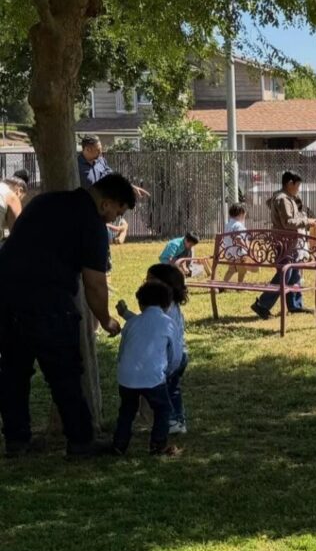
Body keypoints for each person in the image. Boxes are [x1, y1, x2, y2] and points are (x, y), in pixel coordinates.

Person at [0, 173, 135, 458]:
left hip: (7, 295)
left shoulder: (44, 202)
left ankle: (16, 440)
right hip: (49, 301)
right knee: (65, 373)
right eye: (118, 211)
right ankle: (80, 440)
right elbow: (95, 283)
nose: (115, 218)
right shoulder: (92, 225)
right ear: (106, 203)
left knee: (13, 371)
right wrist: (106, 319)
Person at [106, 281, 182, 456]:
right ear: (167, 304)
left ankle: (119, 444)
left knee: (127, 411)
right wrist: (169, 371)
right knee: (162, 409)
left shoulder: (132, 323)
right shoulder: (169, 323)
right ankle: (158, 445)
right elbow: (176, 355)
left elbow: (122, 350)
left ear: (140, 303)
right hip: (153, 376)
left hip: (127, 376)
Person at [118, 263, 190, 435]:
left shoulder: (166, 310)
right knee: (173, 389)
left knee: (166, 392)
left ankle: (171, 420)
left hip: (171, 357)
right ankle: (178, 420)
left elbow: (148, 324)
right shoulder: (169, 306)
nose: (146, 283)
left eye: (150, 279)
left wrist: (126, 314)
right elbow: (147, 322)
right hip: (177, 354)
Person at [252, 171, 316, 318]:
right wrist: (307, 222)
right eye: (297, 186)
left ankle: (294, 305)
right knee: (285, 274)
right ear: (290, 183)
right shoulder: (283, 199)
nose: (298, 189)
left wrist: (304, 218)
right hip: (285, 243)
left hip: (288, 242)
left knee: (294, 273)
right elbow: (288, 222)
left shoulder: (285, 197)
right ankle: (262, 304)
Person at [221, 202, 249, 285]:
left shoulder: (227, 225)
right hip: (238, 253)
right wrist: (247, 247)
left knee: (231, 269)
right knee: (242, 269)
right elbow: (238, 239)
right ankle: (240, 285)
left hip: (229, 253)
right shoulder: (239, 225)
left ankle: (223, 284)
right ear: (241, 214)